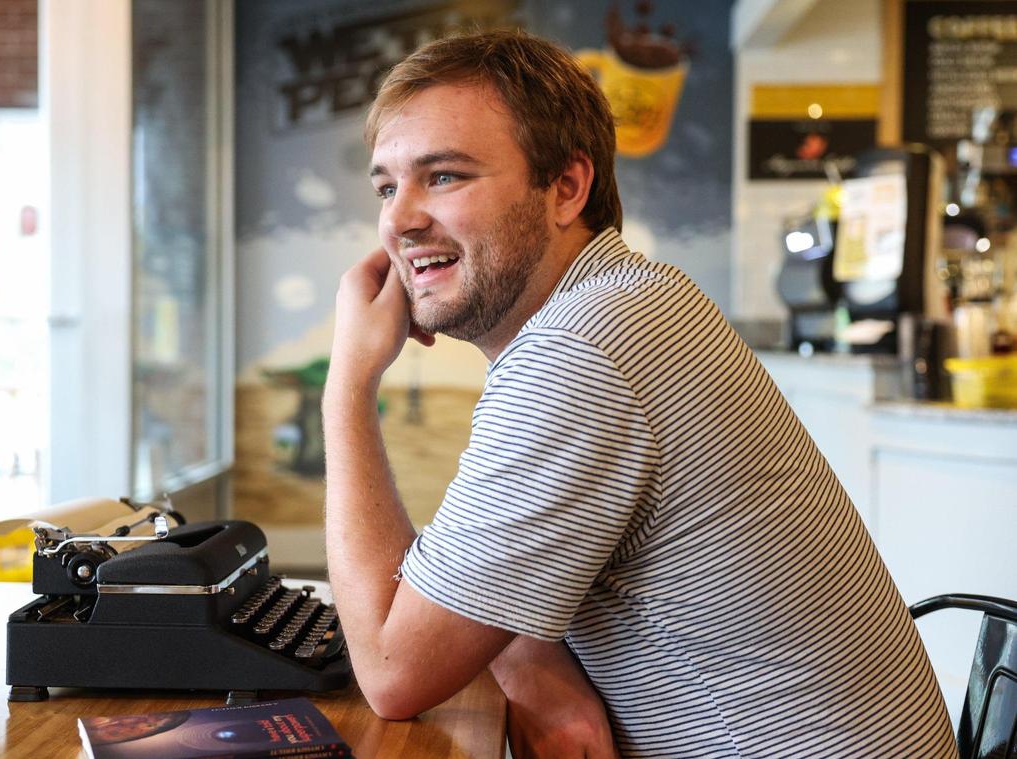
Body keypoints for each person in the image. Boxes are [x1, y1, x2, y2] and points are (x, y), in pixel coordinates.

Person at [322, 29, 956, 758]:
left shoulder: (582, 349)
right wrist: (526, 651)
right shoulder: (629, 296)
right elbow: (489, 561)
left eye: (445, 176)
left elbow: (394, 670)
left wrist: (348, 385)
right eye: (386, 186)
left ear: (566, 187)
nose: (399, 220)